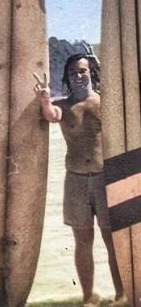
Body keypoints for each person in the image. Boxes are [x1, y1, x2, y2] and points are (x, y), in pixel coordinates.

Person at [34, 53, 126, 307]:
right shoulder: (63, 106)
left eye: (82, 71)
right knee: (82, 242)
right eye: (73, 72)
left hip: (105, 179)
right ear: (67, 76)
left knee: (112, 241)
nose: (78, 76)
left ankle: (121, 294)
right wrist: (44, 100)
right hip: (75, 180)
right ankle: (88, 297)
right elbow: (51, 115)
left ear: (91, 73)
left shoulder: (105, 102)